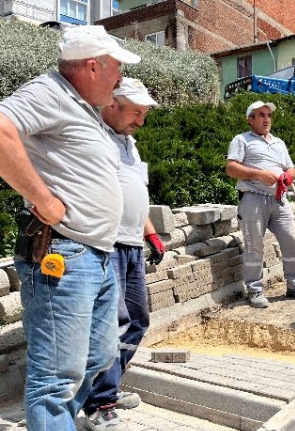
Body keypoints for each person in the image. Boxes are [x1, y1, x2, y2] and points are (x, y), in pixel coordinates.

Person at [0, 25, 140, 430]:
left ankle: (54, 420)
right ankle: (51, 417)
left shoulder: (82, 107)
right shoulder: (49, 92)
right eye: (116, 69)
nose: (120, 79)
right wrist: (43, 199)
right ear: (93, 66)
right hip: (64, 254)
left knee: (99, 356)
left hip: (95, 255)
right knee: (54, 380)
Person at [81, 78, 164, 430]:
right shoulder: (95, 136)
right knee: (110, 325)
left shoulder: (130, 143)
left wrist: (151, 232)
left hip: (131, 243)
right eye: (136, 113)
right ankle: (101, 404)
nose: (140, 121)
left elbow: (133, 193)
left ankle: (107, 389)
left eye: (144, 114)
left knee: (138, 319)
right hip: (105, 244)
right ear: (112, 104)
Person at [226, 101, 295, 308]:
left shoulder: (279, 143)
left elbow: (291, 168)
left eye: (268, 115)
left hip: (279, 199)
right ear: (251, 120)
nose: (266, 119)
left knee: (293, 239)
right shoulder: (242, 140)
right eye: (261, 115)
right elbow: (231, 168)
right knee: (254, 245)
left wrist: (287, 177)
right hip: (253, 198)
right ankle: (255, 290)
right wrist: (260, 174)